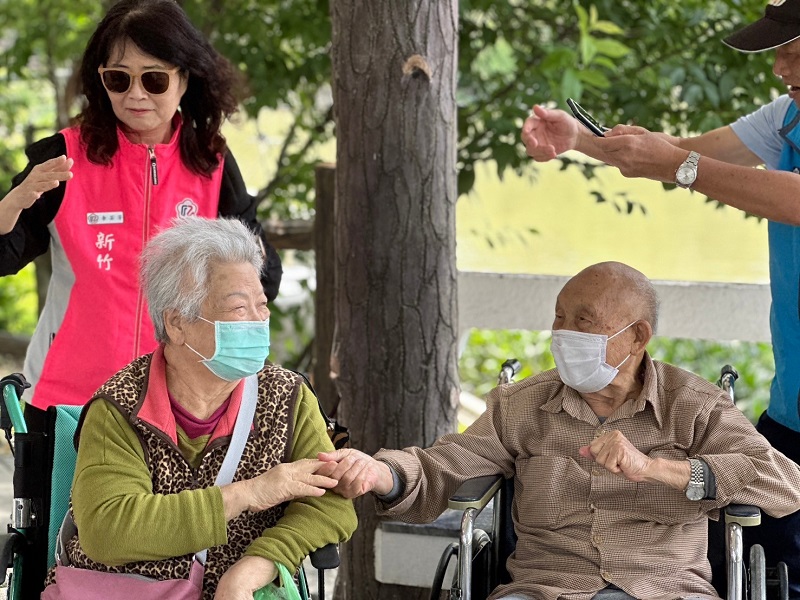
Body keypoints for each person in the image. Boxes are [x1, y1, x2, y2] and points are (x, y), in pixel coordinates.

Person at [520, 2, 800, 593]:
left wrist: (682, 164)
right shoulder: (788, 117)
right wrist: (583, 141)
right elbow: (685, 155)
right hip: (792, 410)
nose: (780, 67)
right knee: (760, 569)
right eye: (780, 51)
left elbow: (790, 199)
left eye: (796, 52)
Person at [318, 261, 800, 600]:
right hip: (545, 587)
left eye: (583, 322)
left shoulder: (692, 405)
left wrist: (657, 469)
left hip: (666, 588)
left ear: (636, 336)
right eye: (559, 317)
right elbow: (446, 462)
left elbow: (783, 481)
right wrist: (383, 471)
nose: (563, 332)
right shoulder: (524, 406)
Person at [41, 216, 356, 600]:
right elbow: (109, 529)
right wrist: (250, 493)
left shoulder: (287, 397)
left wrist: (257, 566)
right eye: (239, 309)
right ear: (176, 323)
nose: (259, 321)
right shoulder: (120, 406)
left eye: (262, 305)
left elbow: (332, 503)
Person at [0, 0, 282, 409]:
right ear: (101, 81)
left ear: (184, 80)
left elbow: (263, 277)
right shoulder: (64, 157)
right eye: (118, 78)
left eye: (154, 80)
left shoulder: (211, 162)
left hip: (179, 404)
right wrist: (9, 206)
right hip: (69, 400)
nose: (135, 95)